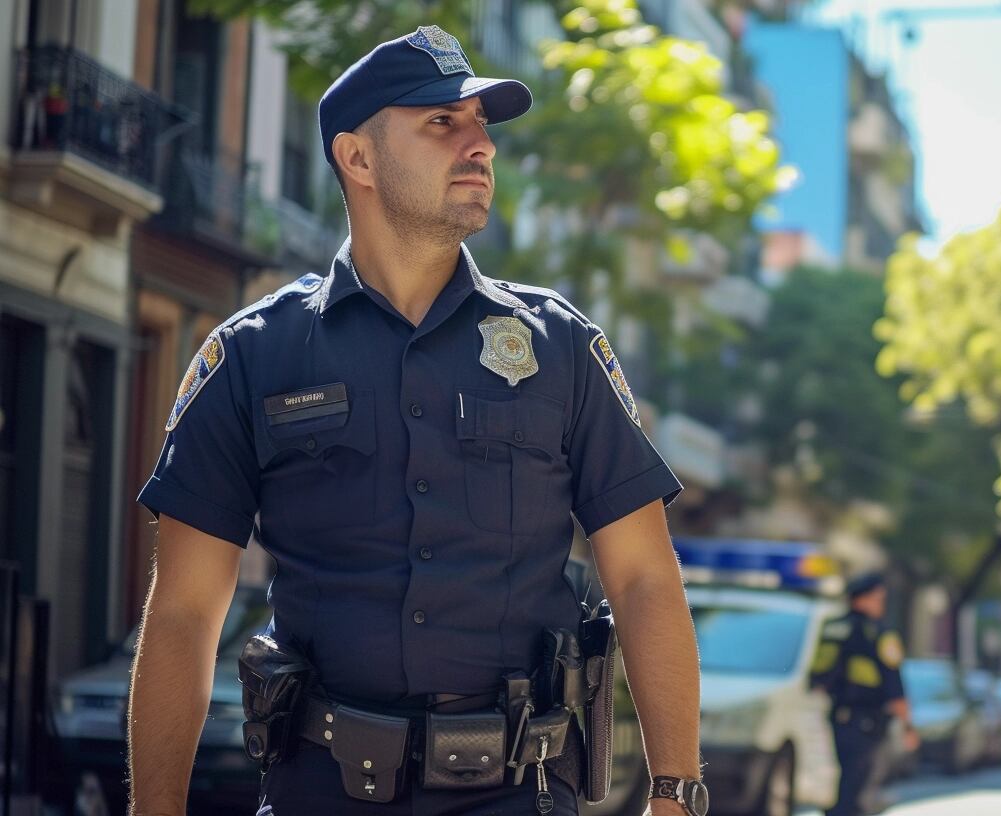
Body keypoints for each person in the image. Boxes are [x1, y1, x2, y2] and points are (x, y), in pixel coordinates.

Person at [126, 26, 708, 816]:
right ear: (357, 159)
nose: (480, 146)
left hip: (522, 794)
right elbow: (186, 612)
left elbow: (643, 576)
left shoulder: (561, 346)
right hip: (319, 792)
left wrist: (675, 791)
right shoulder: (255, 355)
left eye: (481, 124)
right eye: (442, 123)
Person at [810, 574, 919, 816]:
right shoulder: (879, 633)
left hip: (836, 718)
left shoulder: (833, 626)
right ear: (866, 599)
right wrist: (909, 727)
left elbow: (817, 678)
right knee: (858, 792)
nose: (882, 605)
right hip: (867, 723)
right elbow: (895, 687)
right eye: (879, 599)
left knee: (844, 783)